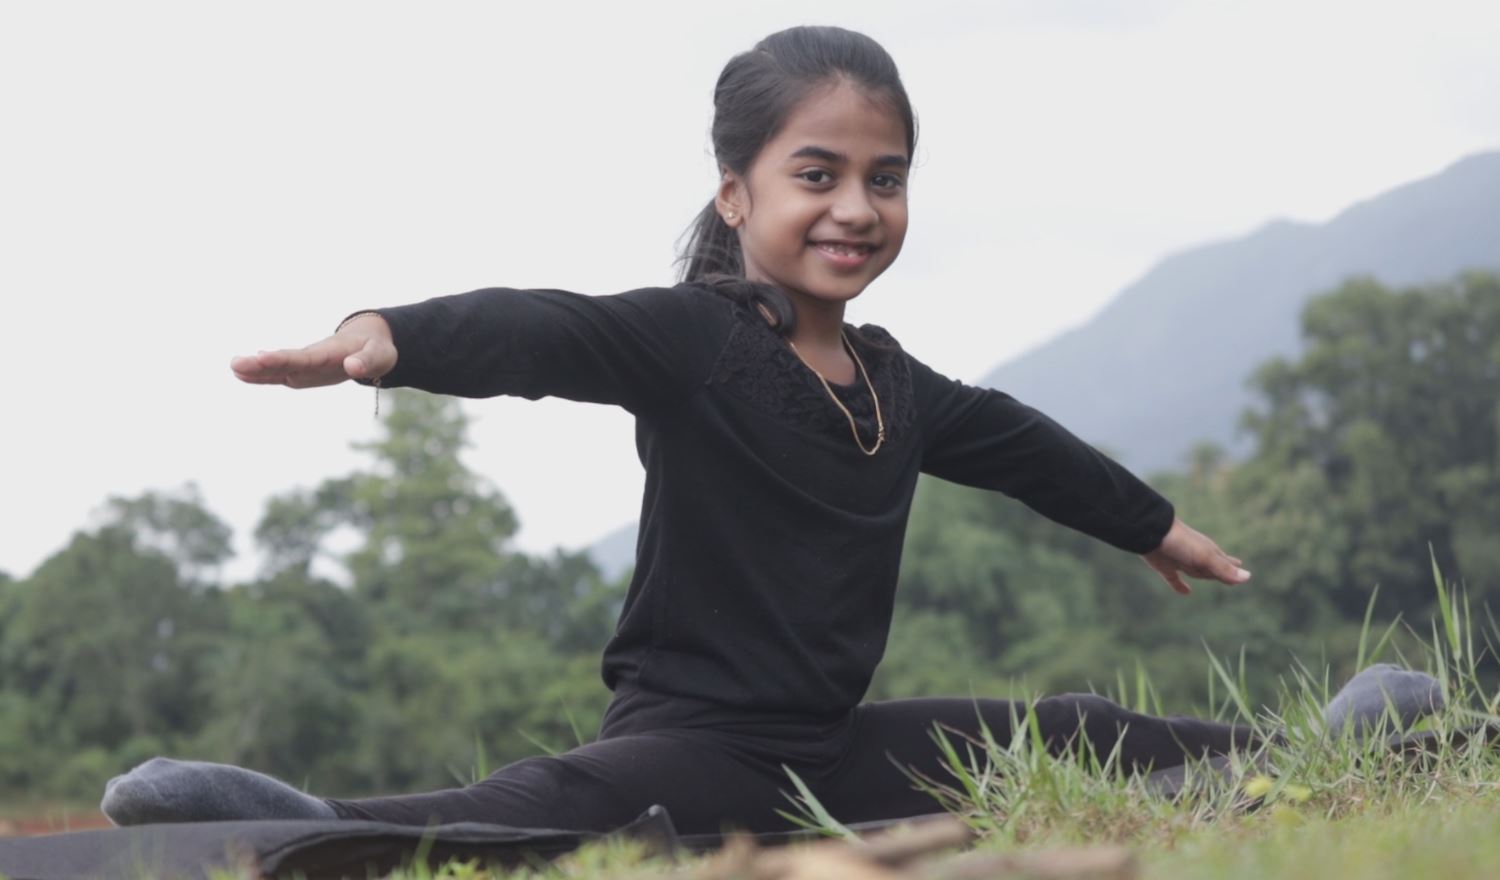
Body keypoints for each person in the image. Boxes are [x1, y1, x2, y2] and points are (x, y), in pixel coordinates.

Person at [100, 26, 1441, 834]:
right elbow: (552, 327)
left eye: (885, 179)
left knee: (1074, 725)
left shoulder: (891, 385)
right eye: (818, 175)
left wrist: (1155, 525)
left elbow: (1018, 444)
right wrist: (388, 332)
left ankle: (1317, 751)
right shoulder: (695, 342)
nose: (856, 206)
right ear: (737, 192)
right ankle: (311, 827)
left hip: (835, 741)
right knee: (571, 806)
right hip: (696, 736)